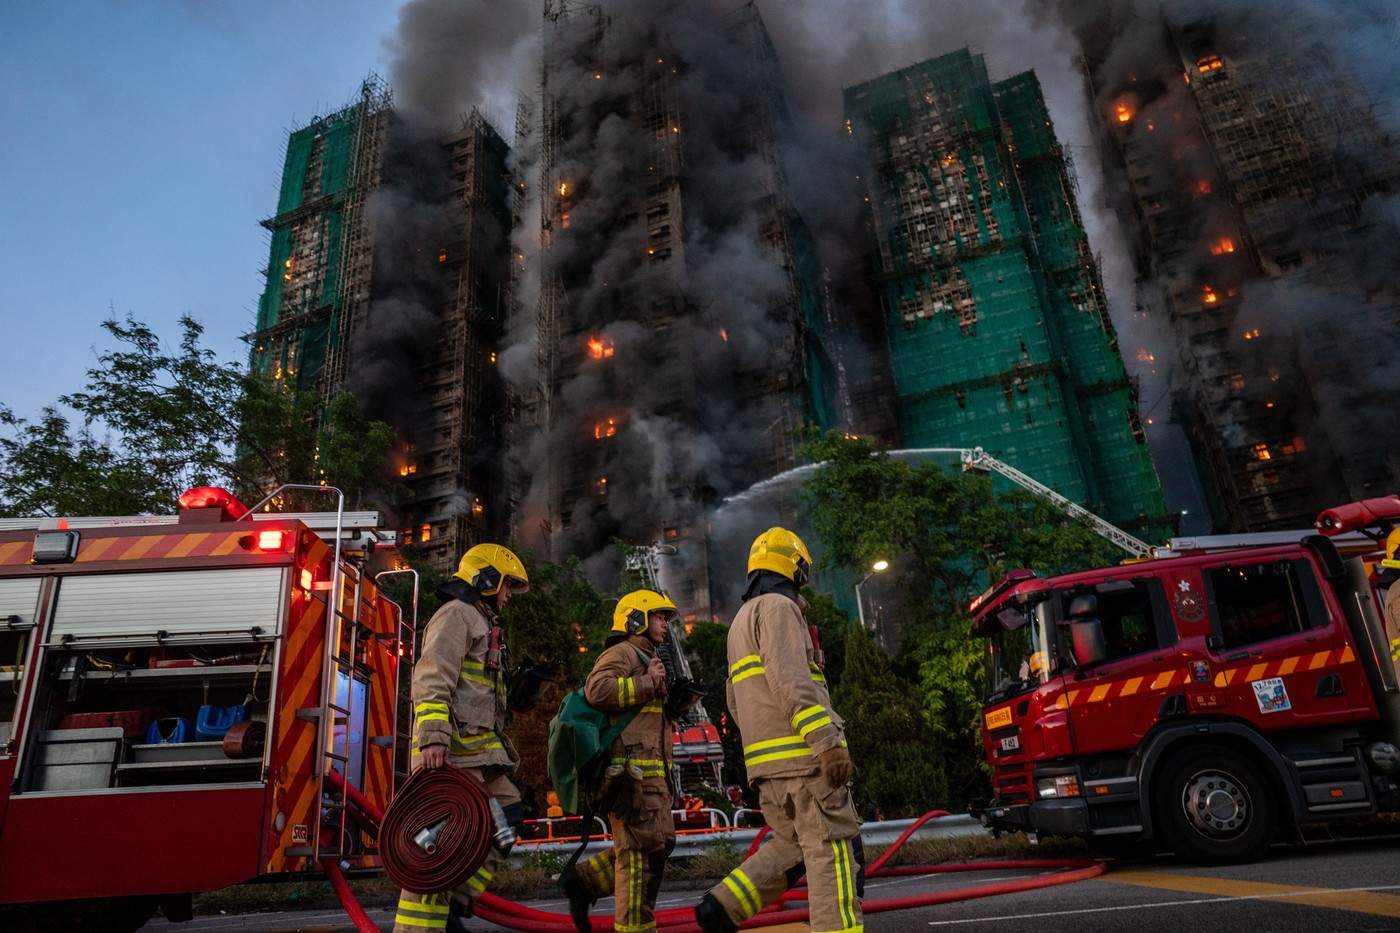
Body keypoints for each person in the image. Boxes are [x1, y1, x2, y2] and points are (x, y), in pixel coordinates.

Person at [695, 527, 863, 933]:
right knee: (830, 849)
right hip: (805, 761)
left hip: (768, 768)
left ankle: (722, 906)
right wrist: (827, 744)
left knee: (791, 845)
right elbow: (792, 682)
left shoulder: (739, 622)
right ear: (795, 567)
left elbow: (736, 702)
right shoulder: (779, 608)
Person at [392, 544, 529, 933]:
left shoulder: (483, 623)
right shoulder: (456, 614)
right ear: (487, 579)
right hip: (449, 756)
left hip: (478, 758)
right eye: (506, 585)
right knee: (436, 849)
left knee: (507, 818)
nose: (508, 595)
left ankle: (456, 903)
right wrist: (434, 738)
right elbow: (432, 677)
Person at [561, 589, 697, 933]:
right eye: (659, 617)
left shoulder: (649, 657)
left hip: (652, 777)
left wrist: (674, 705)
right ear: (636, 619)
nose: (664, 624)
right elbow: (598, 690)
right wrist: (648, 683)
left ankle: (585, 883)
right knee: (639, 859)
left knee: (662, 845)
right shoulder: (622, 652)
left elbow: (645, 719)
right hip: (630, 776)